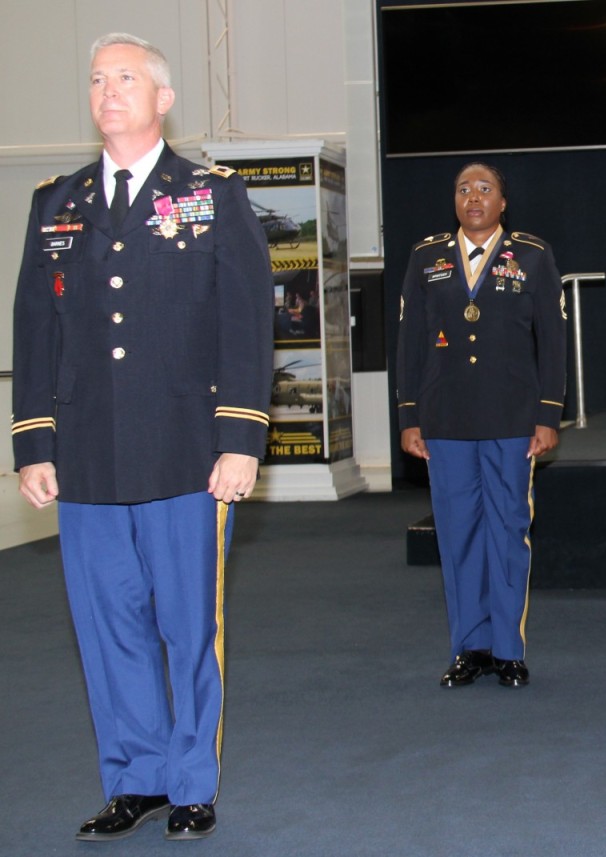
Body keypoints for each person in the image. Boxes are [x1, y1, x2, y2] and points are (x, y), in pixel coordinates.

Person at [11, 33, 273, 841]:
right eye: (96, 78)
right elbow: (32, 326)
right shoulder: (57, 201)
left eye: (125, 77)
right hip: (86, 454)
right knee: (107, 623)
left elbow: (246, 322)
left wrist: (239, 438)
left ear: (162, 99)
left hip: (184, 452)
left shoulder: (210, 194)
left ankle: (192, 780)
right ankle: (137, 777)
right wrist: (33, 442)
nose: (107, 89)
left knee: (188, 625)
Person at [395, 163, 566, 689]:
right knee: (458, 534)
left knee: (508, 531)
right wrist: (409, 416)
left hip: (512, 418)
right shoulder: (427, 257)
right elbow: (410, 342)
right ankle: (470, 648)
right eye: (464, 189)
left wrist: (548, 413)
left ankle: (509, 650)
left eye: (485, 189)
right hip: (445, 419)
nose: (474, 197)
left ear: (503, 203)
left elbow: (553, 340)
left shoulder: (532, 255)